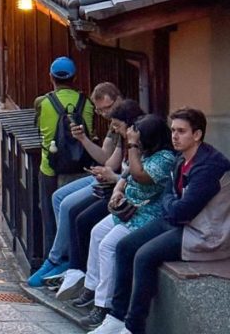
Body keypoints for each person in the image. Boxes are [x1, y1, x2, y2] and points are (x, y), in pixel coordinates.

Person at [91, 107, 230, 334]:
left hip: (204, 232)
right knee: (125, 246)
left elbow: (181, 211)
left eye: (182, 131)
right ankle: (116, 316)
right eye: (173, 130)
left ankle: (134, 327)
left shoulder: (209, 166)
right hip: (180, 222)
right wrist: (171, 203)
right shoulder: (181, 159)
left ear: (197, 135)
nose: (175, 136)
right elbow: (169, 196)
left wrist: (171, 204)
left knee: (144, 256)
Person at [78, 114, 174, 331]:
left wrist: (131, 145)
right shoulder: (145, 151)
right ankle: (92, 289)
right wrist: (119, 189)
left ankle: (105, 306)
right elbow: (127, 173)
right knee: (96, 232)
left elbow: (140, 175)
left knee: (110, 246)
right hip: (128, 208)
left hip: (145, 214)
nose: (135, 141)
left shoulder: (165, 157)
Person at [28, 82, 125, 287]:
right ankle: (63, 257)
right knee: (58, 197)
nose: (104, 114)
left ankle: (57, 259)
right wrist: (82, 139)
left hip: (115, 183)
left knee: (67, 205)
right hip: (106, 176)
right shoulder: (114, 124)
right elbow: (105, 157)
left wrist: (109, 173)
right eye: (100, 110)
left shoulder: (128, 123)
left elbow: (112, 164)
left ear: (117, 99)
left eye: (106, 108)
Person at [53, 98, 144, 300]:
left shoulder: (141, 142)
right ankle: (75, 271)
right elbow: (110, 163)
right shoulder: (125, 138)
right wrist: (108, 174)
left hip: (131, 200)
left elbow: (139, 177)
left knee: (84, 219)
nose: (110, 123)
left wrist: (116, 179)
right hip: (115, 189)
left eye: (117, 124)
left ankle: (88, 284)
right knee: (71, 208)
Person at [32, 56, 95, 269]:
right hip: (81, 168)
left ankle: (51, 263)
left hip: (50, 167)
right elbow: (91, 131)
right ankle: (76, 263)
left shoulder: (42, 102)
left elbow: (40, 129)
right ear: (75, 78)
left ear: (51, 77)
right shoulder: (86, 103)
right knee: (74, 217)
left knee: (50, 217)